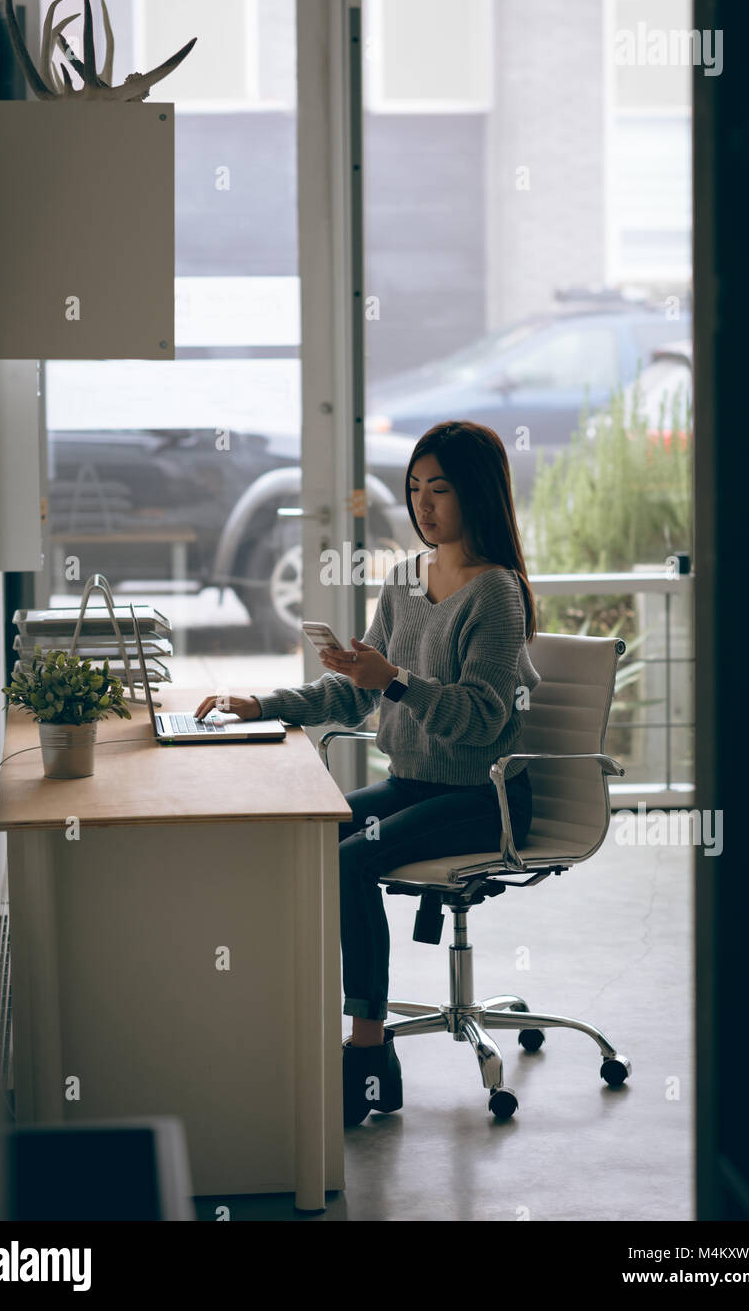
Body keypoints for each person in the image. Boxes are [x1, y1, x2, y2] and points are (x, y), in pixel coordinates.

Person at [195, 420, 541, 1126]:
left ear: (475, 493)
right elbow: (353, 692)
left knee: (350, 863)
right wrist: (258, 703)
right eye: (414, 489)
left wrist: (397, 682)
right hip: (414, 784)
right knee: (308, 837)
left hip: (484, 797)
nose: (422, 505)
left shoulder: (497, 595)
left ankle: (366, 1049)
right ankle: (312, 1025)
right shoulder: (404, 582)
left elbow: (477, 721)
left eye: (438, 490)